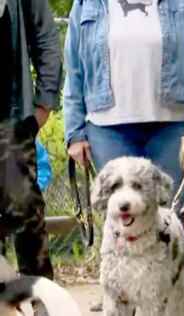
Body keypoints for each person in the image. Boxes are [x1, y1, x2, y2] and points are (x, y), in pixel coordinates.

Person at [62, 0, 184, 309]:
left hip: (174, 120)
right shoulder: (87, 5)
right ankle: (118, 289)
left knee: (174, 210)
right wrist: (74, 132)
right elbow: (74, 69)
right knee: (119, 212)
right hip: (107, 124)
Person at [0, 0, 61, 313]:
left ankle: (40, 296)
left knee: (24, 205)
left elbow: (47, 38)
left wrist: (45, 101)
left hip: (11, 115)